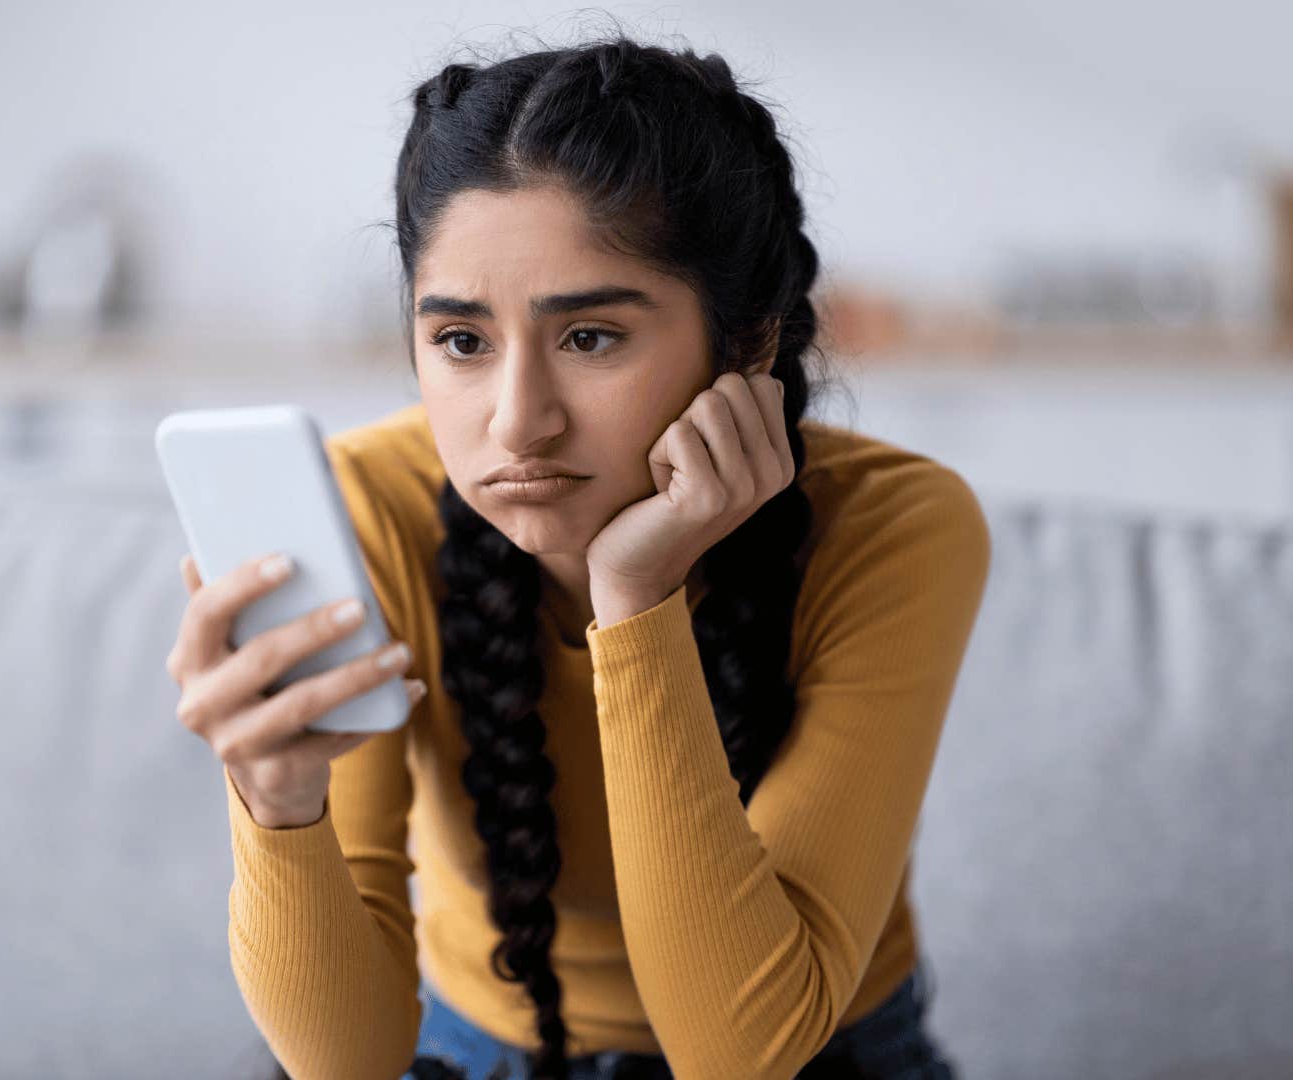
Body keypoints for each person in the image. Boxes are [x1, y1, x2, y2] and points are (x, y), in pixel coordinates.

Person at [164, 31, 989, 1080]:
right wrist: (276, 801)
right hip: (475, 1054)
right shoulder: (371, 504)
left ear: (745, 346)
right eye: (462, 342)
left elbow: (746, 1052)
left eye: (589, 337)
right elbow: (347, 1064)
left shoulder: (893, 529)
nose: (516, 426)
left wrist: (635, 598)